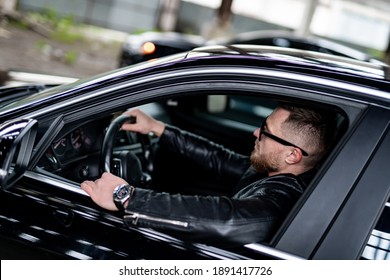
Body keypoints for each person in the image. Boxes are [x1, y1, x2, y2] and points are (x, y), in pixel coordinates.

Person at [81, 102, 337, 246]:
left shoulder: (282, 199)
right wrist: (159, 128)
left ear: (292, 155)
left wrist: (126, 196)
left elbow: (227, 219)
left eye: (265, 131)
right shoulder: (275, 172)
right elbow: (221, 159)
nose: (256, 134)